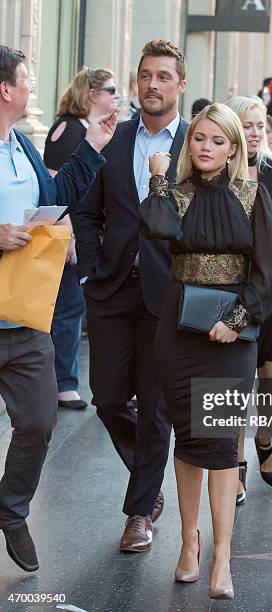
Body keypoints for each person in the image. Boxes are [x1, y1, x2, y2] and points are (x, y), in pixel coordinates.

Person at [139, 103, 272, 599]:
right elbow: (155, 228)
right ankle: (187, 543)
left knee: (219, 443)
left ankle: (222, 559)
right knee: (189, 439)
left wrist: (235, 322)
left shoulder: (250, 195)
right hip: (178, 330)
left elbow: (265, 273)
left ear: (234, 148)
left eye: (218, 140)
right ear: (189, 142)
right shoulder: (173, 194)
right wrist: (157, 176)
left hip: (231, 335)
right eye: (199, 137)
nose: (206, 147)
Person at [0, 45, 117, 572]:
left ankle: (10, 508)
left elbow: (56, 195)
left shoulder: (22, 147)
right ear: (6, 89)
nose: (31, 89)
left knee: (39, 421)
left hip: (23, 313)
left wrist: (93, 146)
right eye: (26, 80)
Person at [73, 39, 188, 553]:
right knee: (110, 397)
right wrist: (94, 262)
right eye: (146, 76)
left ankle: (139, 510)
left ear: (180, 84)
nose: (153, 85)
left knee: (157, 404)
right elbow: (86, 210)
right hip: (113, 287)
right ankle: (148, 467)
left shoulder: (198, 144)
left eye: (164, 76)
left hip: (171, 295)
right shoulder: (111, 140)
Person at [226, 95, 272, 504]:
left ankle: (264, 439)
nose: (252, 133)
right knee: (234, 381)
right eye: (244, 125)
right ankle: (236, 464)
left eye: (258, 126)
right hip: (233, 289)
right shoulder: (217, 172)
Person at [44, 66, 120, 411]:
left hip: (78, 232)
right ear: (92, 94)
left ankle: (63, 381)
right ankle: (63, 382)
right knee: (67, 307)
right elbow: (59, 186)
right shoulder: (68, 128)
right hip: (63, 234)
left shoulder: (90, 130)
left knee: (70, 307)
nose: (116, 96)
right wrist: (70, 234)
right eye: (111, 89)